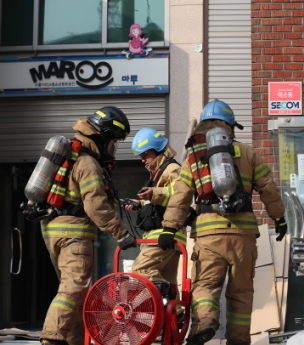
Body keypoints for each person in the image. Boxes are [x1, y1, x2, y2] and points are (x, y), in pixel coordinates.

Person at [161, 99, 287, 345]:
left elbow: (181, 196)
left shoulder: (194, 158)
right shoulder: (248, 152)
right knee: (241, 293)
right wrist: (279, 218)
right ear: (230, 126)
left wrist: (169, 228)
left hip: (209, 237)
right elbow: (268, 189)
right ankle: (238, 341)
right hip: (244, 236)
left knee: (206, 285)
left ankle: (204, 323)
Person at [39, 106, 137, 345]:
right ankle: (52, 337)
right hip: (74, 233)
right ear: (103, 137)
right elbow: (95, 206)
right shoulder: (87, 162)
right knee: (74, 287)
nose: (114, 148)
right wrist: (121, 233)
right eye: (114, 141)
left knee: (78, 295)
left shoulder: (71, 156)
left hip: (53, 230)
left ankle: (74, 341)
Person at [123, 127, 186, 300]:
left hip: (164, 235)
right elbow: (158, 202)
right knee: (168, 279)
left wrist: (154, 193)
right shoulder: (157, 174)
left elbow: (182, 194)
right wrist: (140, 204)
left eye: (145, 155)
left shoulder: (171, 169)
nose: (142, 160)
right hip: (165, 236)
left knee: (140, 270)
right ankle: (173, 317)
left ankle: (161, 294)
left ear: (156, 150)